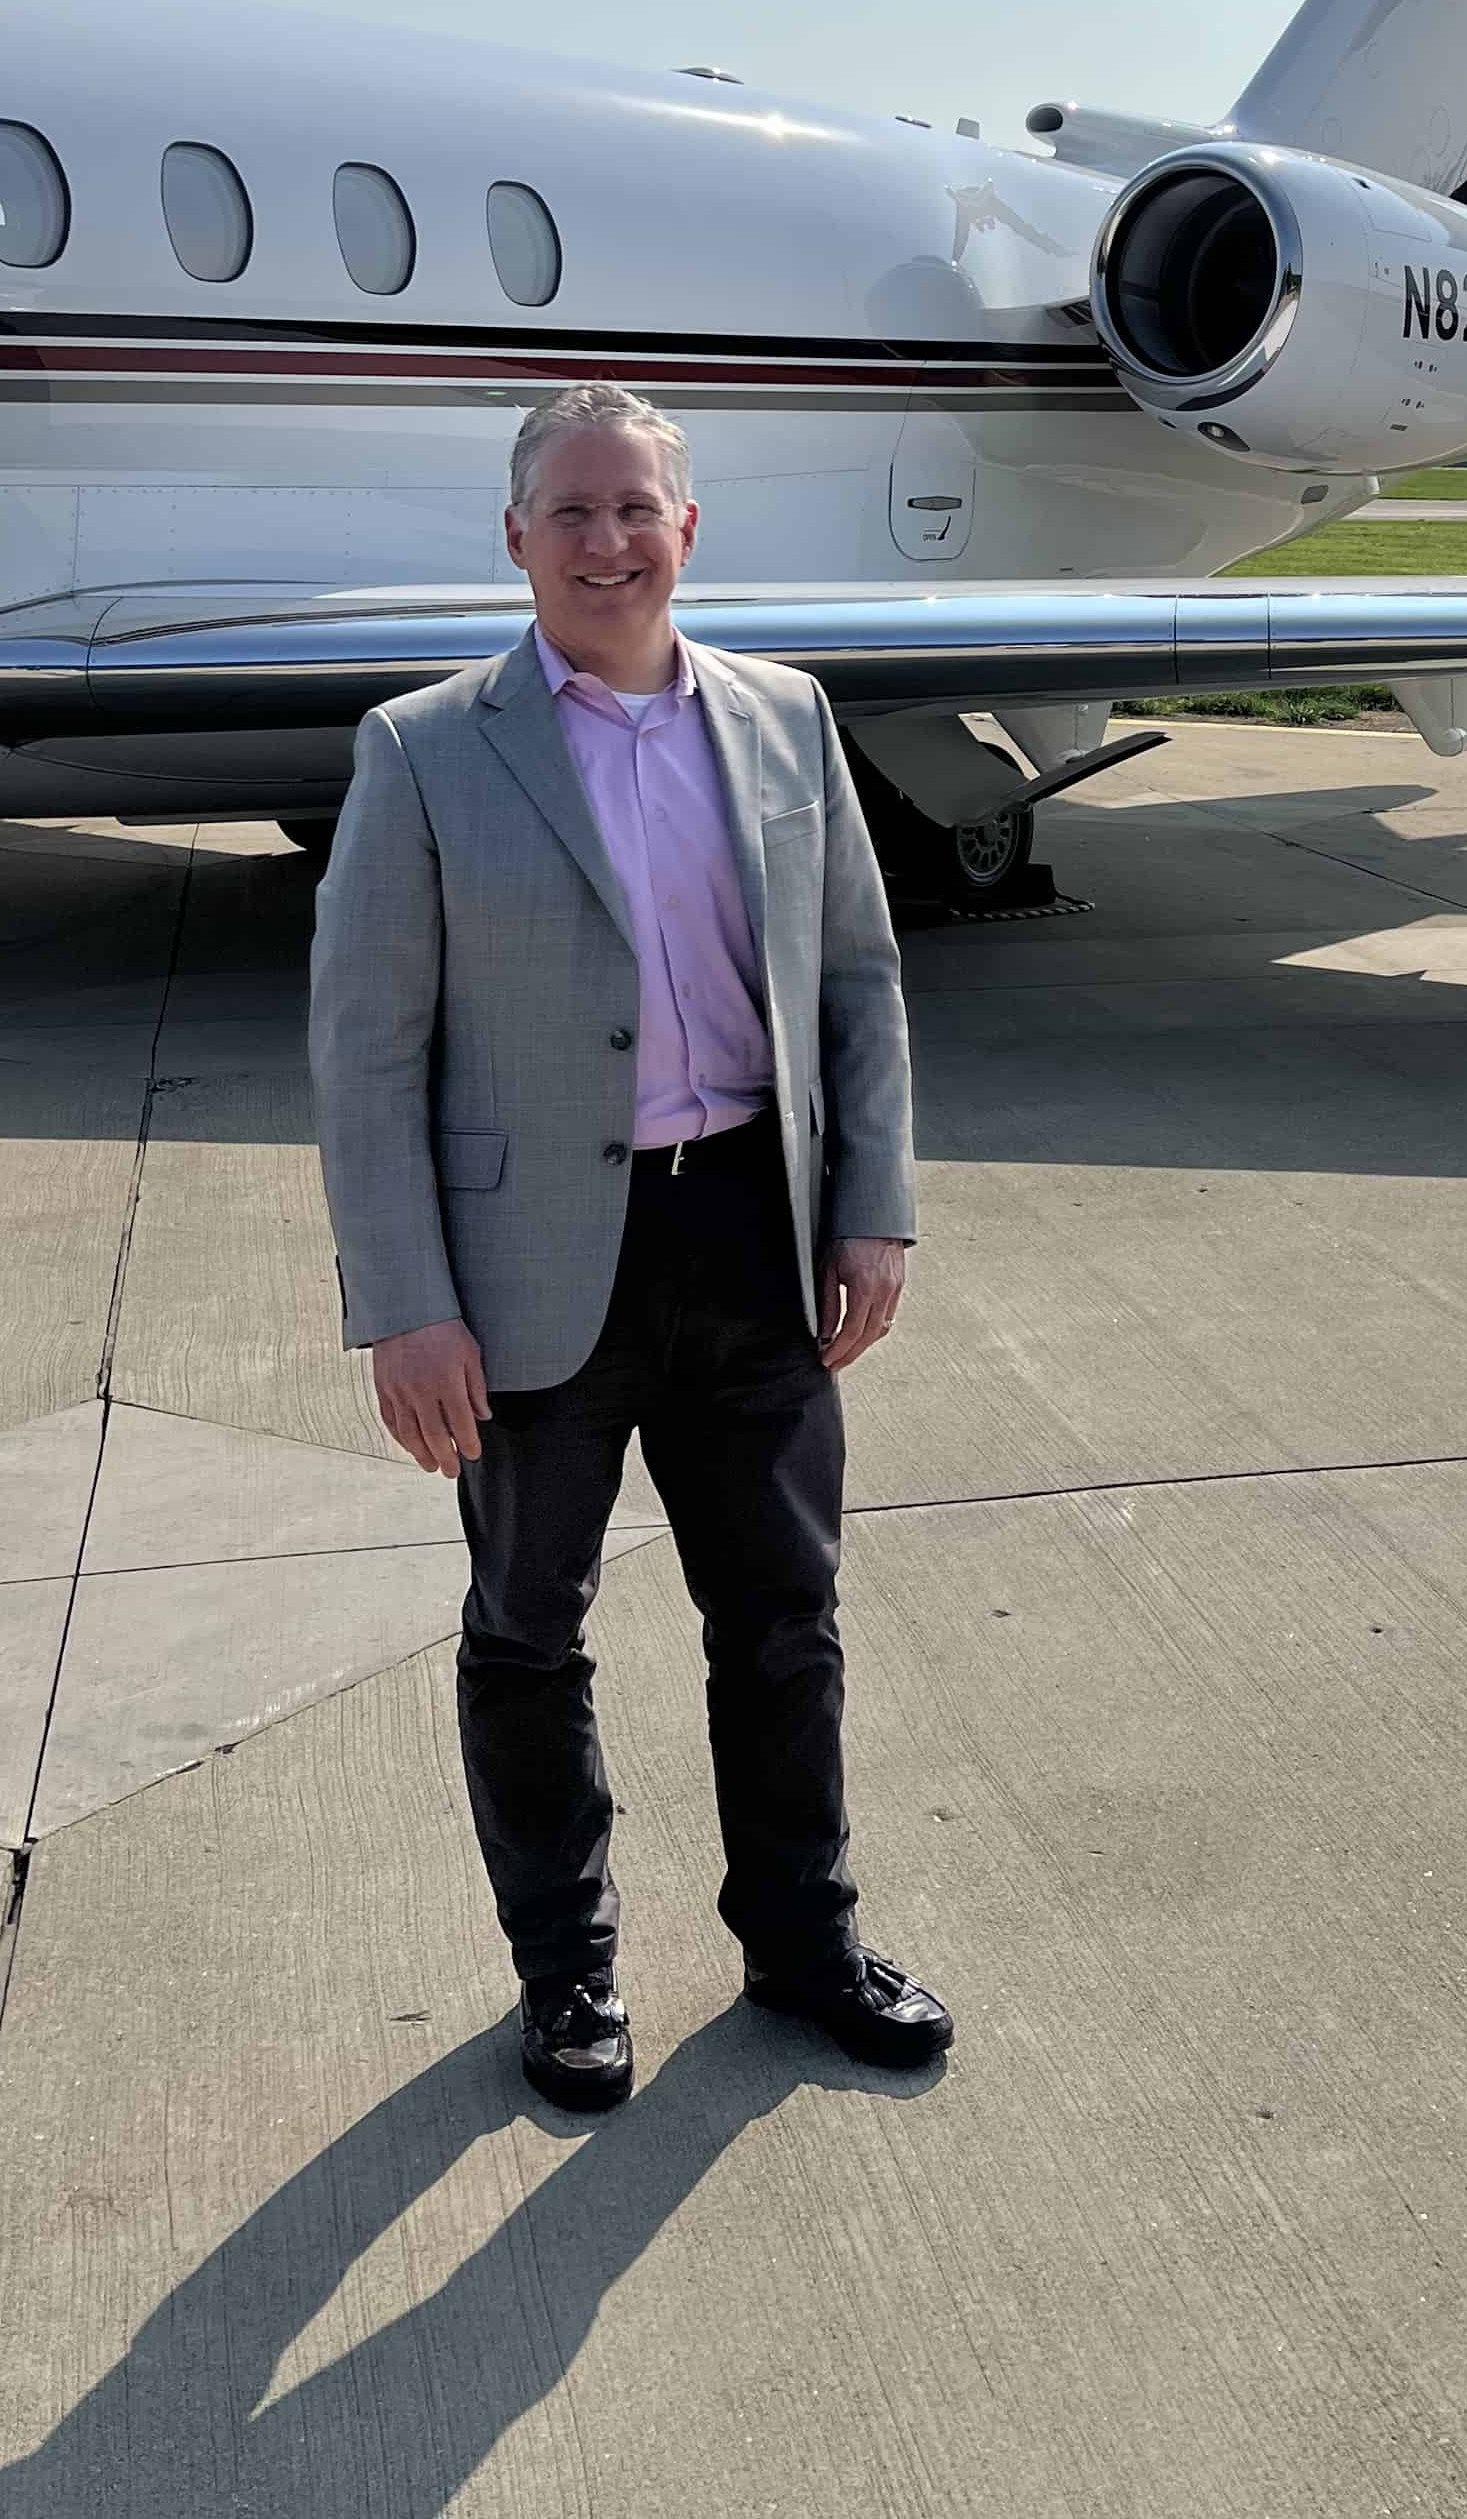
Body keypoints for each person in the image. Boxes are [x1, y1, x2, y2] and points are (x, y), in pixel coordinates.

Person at [308, 376, 948, 2110]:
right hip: (531, 1273)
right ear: (516, 540)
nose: (608, 541)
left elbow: (858, 983)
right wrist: (406, 1306)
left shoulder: (788, 719)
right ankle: (570, 1972)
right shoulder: (426, 751)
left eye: (635, 507)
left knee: (784, 1616)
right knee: (530, 1627)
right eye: (571, 513)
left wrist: (872, 1203)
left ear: (688, 528)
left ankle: (803, 1942)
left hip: (753, 1229)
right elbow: (367, 1053)